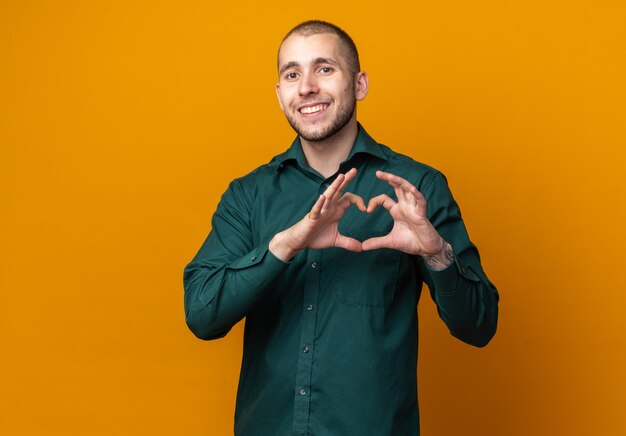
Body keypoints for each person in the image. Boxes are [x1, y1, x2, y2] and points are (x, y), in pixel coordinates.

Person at [184, 20, 499, 436]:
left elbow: (479, 327)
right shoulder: (248, 195)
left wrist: (436, 253)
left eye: (324, 69)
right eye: (292, 74)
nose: (307, 86)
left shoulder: (416, 188)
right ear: (280, 94)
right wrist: (285, 245)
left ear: (360, 84)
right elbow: (203, 316)